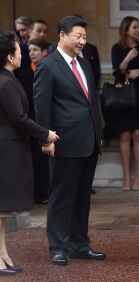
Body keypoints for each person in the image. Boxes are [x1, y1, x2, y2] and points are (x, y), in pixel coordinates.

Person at [33, 15, 105, 266]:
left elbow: (90, 102)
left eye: (85, 37)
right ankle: (58, 246)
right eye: (78, 36)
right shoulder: (48, 65)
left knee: (82, 195)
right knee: (62, 195)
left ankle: (79, 244)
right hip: (64, 141)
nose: (82, 41)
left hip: (89, 141)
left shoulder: (83, 65)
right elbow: (41, 106)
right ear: (62, 35)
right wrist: (45, 138)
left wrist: (99, 133)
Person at [0, 30, 59, 276]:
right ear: (9, 56)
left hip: (9, 147)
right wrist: (45, 133)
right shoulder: (5, 82)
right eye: (18, 49)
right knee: (1, 208)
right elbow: (19, 118)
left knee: (2, 211)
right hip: (6, 149)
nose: (22, 53)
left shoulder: (7, 78)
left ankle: (3, 254)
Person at [111, 16, 139, 191]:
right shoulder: (117, 48)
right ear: (126, 29)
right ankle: (126, 176)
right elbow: (116, 72)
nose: (138, 30)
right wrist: (127, 58)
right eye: (135, 27)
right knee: (125, 135)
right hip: (122, 95)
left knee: (137, 134)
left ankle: (138, 179)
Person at [18, 38, 50, 204]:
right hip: (31, 122)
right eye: (30, 50)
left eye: (35, 50)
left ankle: (47, 191)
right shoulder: (23, 75)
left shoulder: (51, 71)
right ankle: (38, 193)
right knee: (35, 159)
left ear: (45, 52)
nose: (31, 53)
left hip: (49, 123)